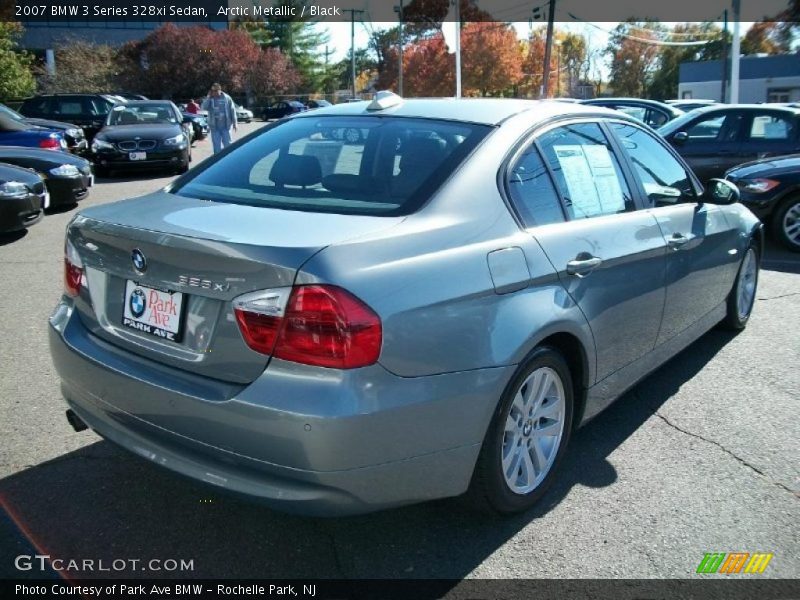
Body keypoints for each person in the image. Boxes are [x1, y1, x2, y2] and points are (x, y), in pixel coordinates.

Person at [201, 83, 237, 154]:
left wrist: (235, 123)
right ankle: (218, 161)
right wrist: (208, 97)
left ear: (220, 90)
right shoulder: (210, 99)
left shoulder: (227, 98)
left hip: (226, 126)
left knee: (228, 145)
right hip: (215, 127)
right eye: (213, 91)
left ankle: (228, 159)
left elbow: (232, 110)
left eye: (216, 91)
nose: (214, 93)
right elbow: (203, 107)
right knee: (217, 147)